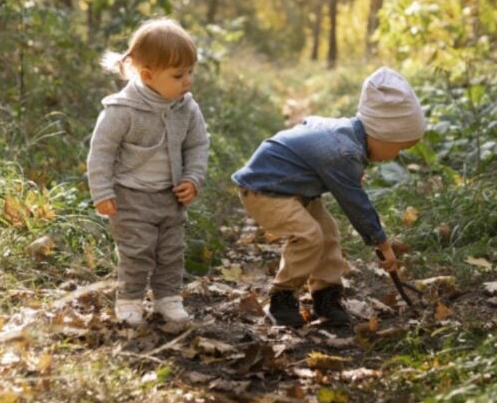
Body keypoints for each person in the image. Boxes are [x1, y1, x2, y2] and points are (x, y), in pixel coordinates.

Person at [232, 67, 426, 328]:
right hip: (265, 189)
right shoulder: (344, 153)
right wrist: (382, 243)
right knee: (309, 235)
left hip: (296, 191)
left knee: (328, 232)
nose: (397, 155)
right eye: (399, 147)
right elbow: (356, 205)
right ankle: (282, 297)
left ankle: (326, 295)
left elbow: (311, 123)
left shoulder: (345, 134)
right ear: (382, 133)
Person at [87, 18, 209, 327]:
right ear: (147, 76)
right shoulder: (121, 111)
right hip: (130, 196)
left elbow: (197, 145)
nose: (187, 82)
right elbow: (101, 152)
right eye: (178, 75)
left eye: (190, 72)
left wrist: (193, 178)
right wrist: (102, 192)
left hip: (170, 196)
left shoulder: (186, 107)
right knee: (137, 252)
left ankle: (168, 297)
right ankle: (129, 300)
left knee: (171, 250)